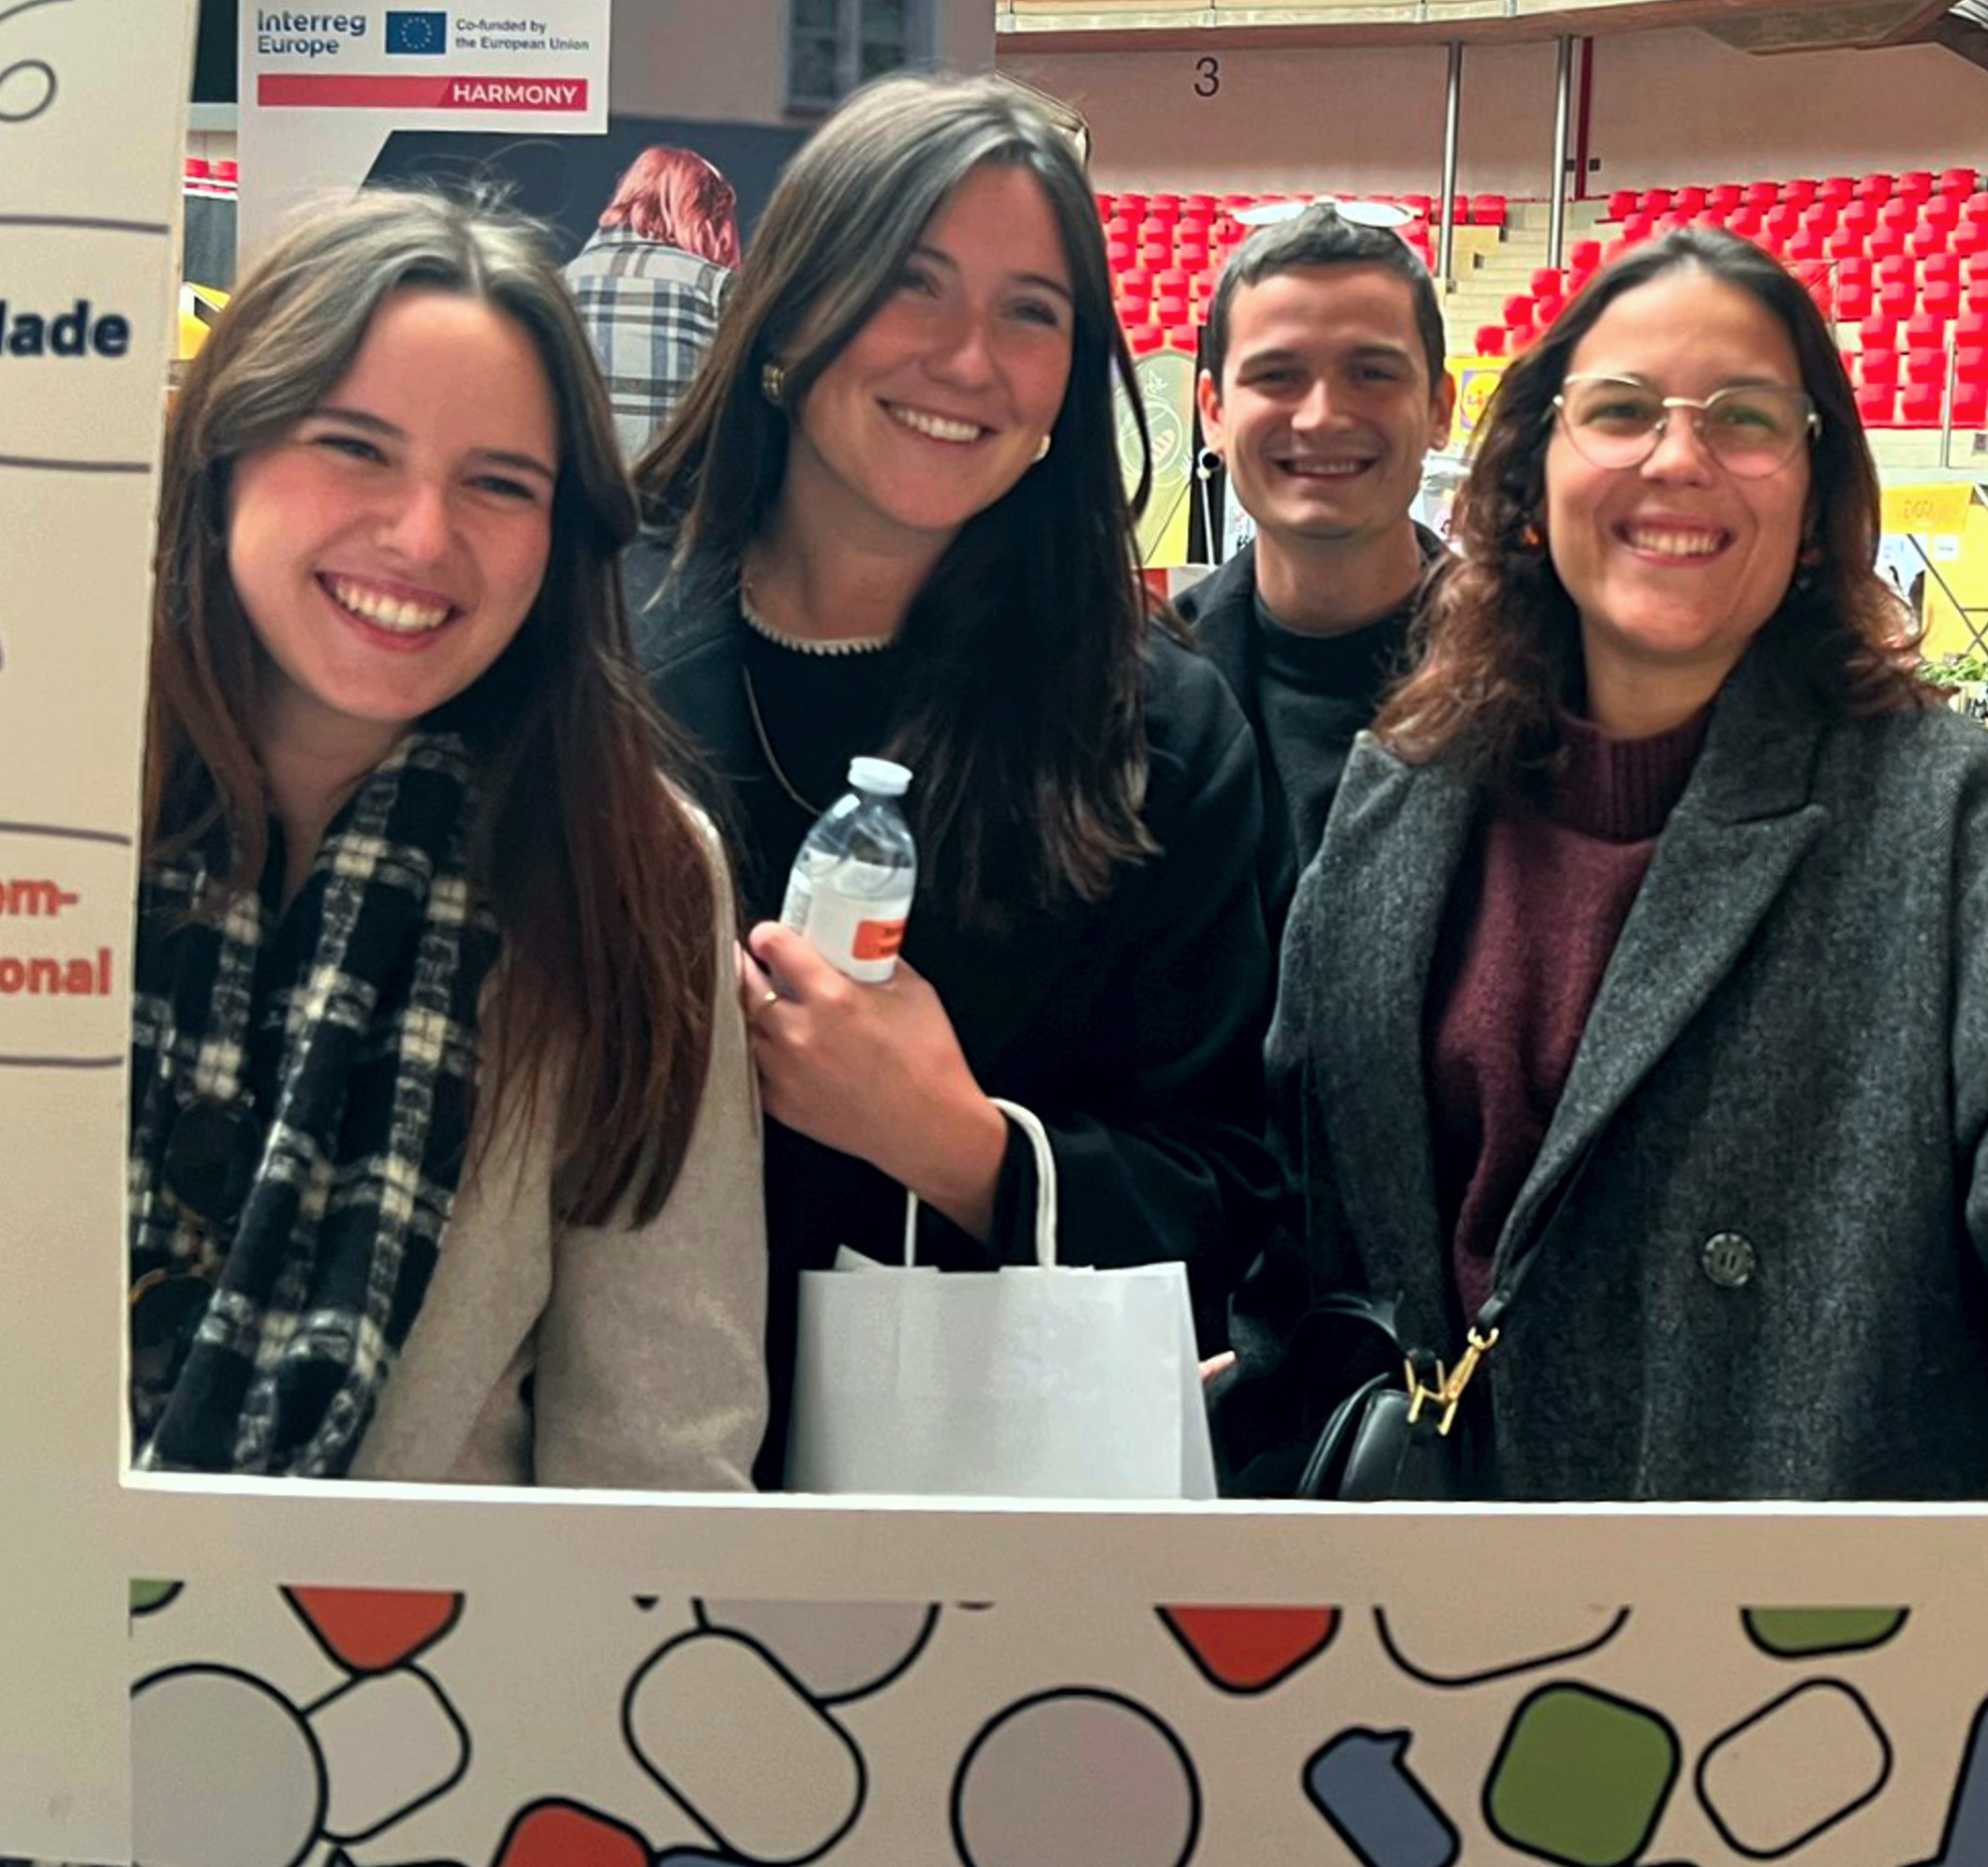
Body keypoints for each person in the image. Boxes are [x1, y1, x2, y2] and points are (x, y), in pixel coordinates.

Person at [1252, 224, 1988, 1505]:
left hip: (1803, 1658)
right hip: (1415, 1634)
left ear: (1818, 502)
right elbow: (1302, 1241)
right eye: (1620, 411)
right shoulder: (1402, 795)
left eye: (1745, 418)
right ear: (1532, 479)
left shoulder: (1955, 826)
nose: (1678, 457)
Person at [630, 73, 1280, 1487]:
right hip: (587, 1478)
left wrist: (967, 1148)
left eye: (1030, 313)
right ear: (795, 311)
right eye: (912, 287)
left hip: (970, 1519)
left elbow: (1236, 1186)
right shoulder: (590, 650)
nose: (969, 361)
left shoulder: (1156, 729)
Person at [130, 189, 763, 1490]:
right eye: (355, 448)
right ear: (225, 449)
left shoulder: (629, 863)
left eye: (497, 484)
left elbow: (655, 1442)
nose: (423, 537)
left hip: (413, 1677)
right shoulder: (15, 789)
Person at [1174, 202, 1453, 898]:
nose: (1323, 415)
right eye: (1277, 376)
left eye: (1372, 373)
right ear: (1212, 411)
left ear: (1441, 410)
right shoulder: (1135, 693)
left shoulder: (1554, 679)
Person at [566, 144, 743, 462]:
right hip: (675, 502)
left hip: (579, 501)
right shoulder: (717, 289)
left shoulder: (556, 286)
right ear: (708, 216)